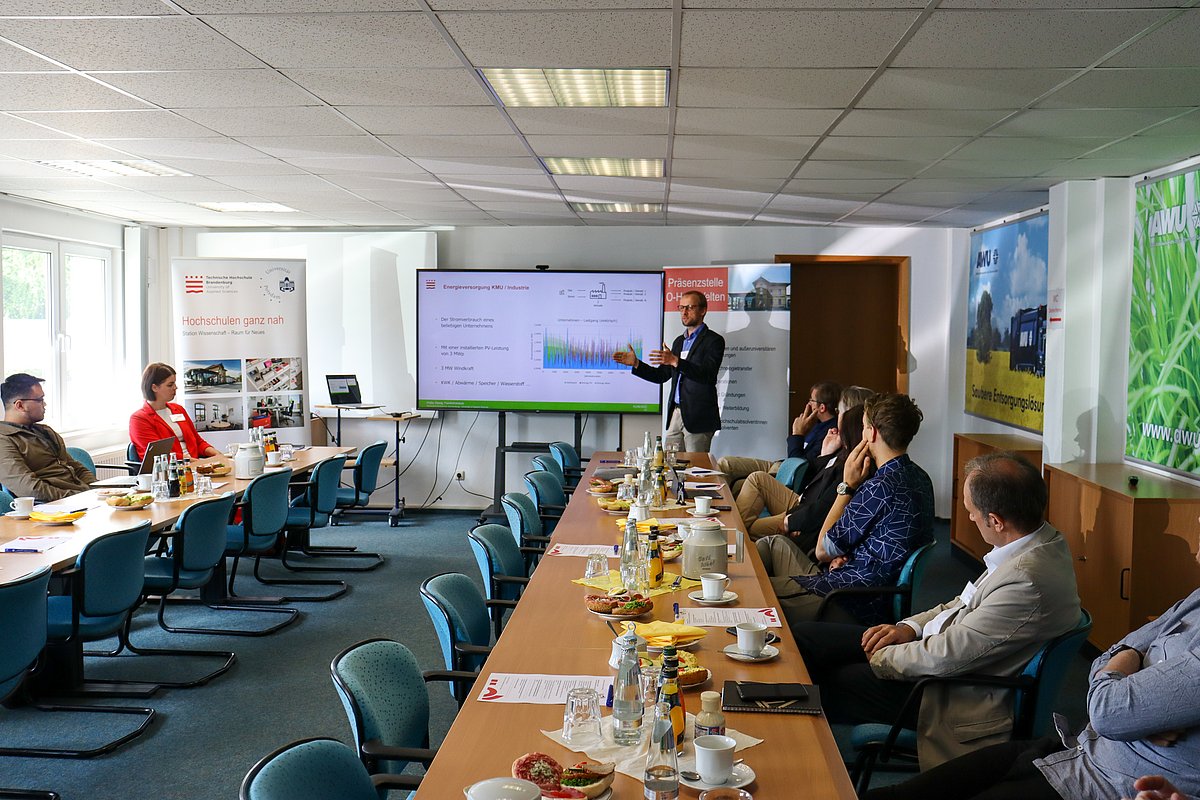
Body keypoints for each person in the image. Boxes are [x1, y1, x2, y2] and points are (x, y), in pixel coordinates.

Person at [862, 522, 1200, 800]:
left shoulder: (1027, 572)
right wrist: (1136, 688)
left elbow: (1107, 711)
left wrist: (1131, 689)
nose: (1196, 523)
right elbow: (1118, 651)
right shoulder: (1196, 599)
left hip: (1103, 782)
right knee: (899, 795)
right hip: (1072, 748)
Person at [796, 451, 1082, 772]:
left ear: (996, 521)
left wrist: (883, 655)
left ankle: (807, 769)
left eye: (972, 512)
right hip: (941, 658)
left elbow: (948, 657)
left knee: (827, 680)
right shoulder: (1036, 544)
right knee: (807, 638)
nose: (970, 518)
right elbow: (959, 603)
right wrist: (907, 628)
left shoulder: (1025, 579)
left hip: (952, 693)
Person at [763, 392, 934, 627]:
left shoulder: (879, 486)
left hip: (849, 601)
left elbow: (823, 550)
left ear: (871, 433)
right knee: (771, 544)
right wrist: (848, 556)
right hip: (862, 583)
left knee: (756, 589)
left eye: (864, 426)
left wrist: (846, 486)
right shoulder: (921, 477)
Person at [613, 290, 724, 452]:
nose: (684, 312)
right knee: (670, 466)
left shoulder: (714, 341)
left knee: (696, 470)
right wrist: (636, 363)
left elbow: (707, 375)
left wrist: (675, 361)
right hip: (676, 414)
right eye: (681, 308)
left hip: (698, 416)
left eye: (690, 307)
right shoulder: (679, 342)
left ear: (703, 310)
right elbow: (661, 375)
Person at [737, 404, 865, 541]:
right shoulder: (838, 444)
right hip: (802, 498)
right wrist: (825, 454)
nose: (838, 416)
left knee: (750, 529)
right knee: (756, 478)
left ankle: (734, 537)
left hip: (806, 509)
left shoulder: (854, 464)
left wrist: (792, 521)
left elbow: (822, 505)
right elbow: (810, 477)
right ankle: (734, 534)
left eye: (839, 411)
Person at [719, 383, 867, 494]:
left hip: (790, 472)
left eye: (811, 400)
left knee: (743, 483)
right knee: (725, 463)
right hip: (783, 464)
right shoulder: (817, 424)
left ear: (821, 407)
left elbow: (800, 467)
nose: (808, 404)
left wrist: (798, 435)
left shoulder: (832, 434)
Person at [0, 373, 93, 501]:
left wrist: (99, 490)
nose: (44, 404)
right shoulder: (4, 439)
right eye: (39, 400)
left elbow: (78, 469)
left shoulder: (45, 431)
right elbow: (30, 489)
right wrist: (79, 496)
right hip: (52, 508)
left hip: (80, 498)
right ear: (20, 405)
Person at [129, 362, 220, 460]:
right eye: (170, 385)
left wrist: (217, 454)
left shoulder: (178, 409)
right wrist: (197, 463)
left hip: (193, 465)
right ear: (154, 387)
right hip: (171, 470)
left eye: (174, 383)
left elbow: (198, 442)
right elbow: (159, 456)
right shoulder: (139, 419)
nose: (175, 387)